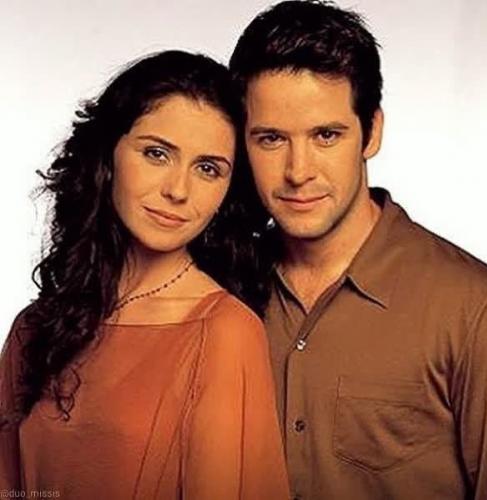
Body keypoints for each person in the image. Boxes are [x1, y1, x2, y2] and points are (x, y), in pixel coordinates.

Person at [229, 1, 487, 499]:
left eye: (326, 135)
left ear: (371, 132)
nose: (298, 171)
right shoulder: (224, 285)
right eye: (271, 139)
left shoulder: (477, 308)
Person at [0, 50, 289, 499]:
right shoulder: (33, 328)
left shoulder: (225, 332)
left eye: (208, 168)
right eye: (157, 153)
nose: (178, 190)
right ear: (108, 156)